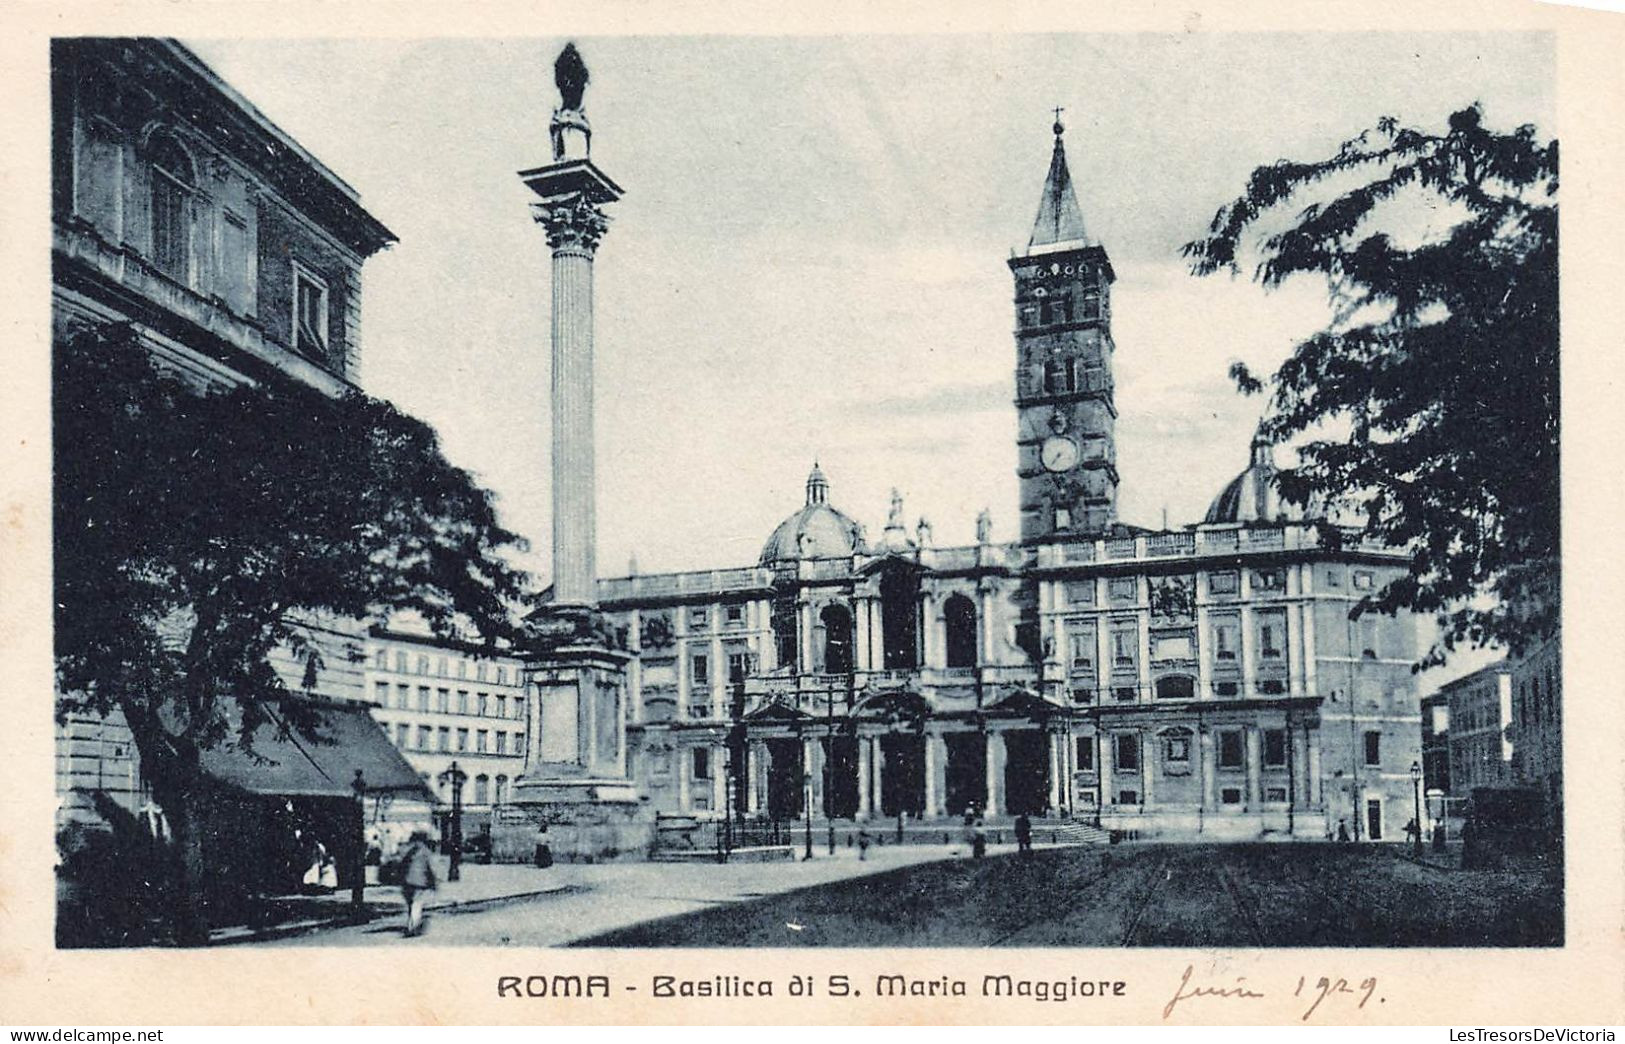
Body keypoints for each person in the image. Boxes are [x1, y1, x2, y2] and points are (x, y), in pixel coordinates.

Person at [400, 829, 438, 937]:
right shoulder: (426, 852)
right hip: (420, 882)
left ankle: (411, 924)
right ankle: (413, 926)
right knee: (417, 904)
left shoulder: (408, 850)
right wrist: (434, 882)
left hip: (407, 881)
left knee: (411, 904)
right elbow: (431, 868)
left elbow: (401, 863)